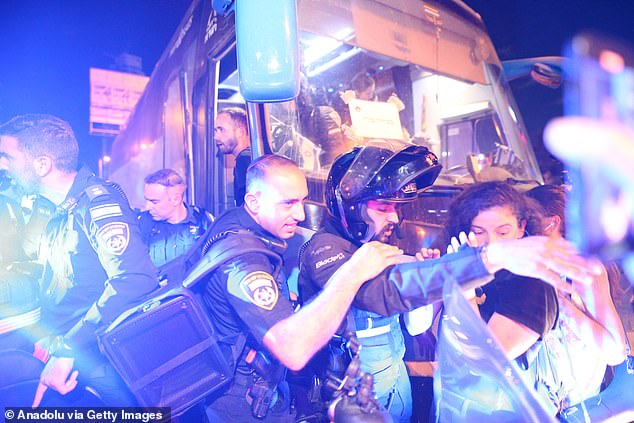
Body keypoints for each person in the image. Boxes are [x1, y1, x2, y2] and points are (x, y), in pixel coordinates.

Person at [297, 140, 598, 422]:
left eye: (503, 231)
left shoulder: (527, 283)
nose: (394, 219)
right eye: (479, 231)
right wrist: (448, 276)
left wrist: (450, 277)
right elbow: (388, 300)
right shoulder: (328, 250)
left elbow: (480, 356)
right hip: (370, 398)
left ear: (522, 227)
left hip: (472, 406)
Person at [198, 154, 406, 422]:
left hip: (254, 386)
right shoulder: (244, 261)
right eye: (288, 203)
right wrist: (353, 273)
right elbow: (293, 351)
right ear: (253, 201)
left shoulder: (237, 224)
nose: (300, 214)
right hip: (240, 403)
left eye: (303, 200)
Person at [0, 114, 159, 406]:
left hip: (100, 362)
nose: (2, 165)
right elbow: (76, 277)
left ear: (42, 164)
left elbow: (134, 280)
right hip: (73, 354)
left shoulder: (98, 203)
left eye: (7, 156)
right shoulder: (61, 209)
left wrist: (67, 350)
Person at [526, 184, 627, 410]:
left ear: (551, 223)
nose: (522, 227)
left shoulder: (582, 269)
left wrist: (561, 303)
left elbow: (615, 351)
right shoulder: (526, 266)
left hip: (573, 407)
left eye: (527, 218)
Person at [138, 168, 213, 267]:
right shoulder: (141, 224)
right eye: (147, 200)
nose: (147, 207)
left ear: (176, 199)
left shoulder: (203, 221)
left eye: (154, 202)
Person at [214, 107, 251, 207]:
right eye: (215, 131)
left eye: (221, 130)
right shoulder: (246, 158)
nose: (216, 137)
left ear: (240, 132)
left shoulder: (244, 160)